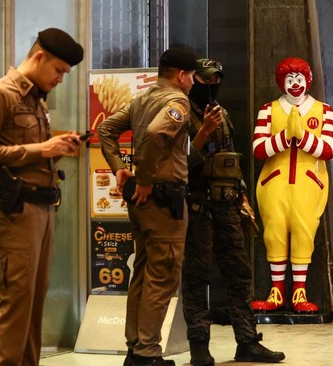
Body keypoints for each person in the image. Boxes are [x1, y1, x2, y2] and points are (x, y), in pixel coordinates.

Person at [0, 28, 84, 366]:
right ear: (39, 57)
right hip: (16, 211)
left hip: (42, 207)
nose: (61, 79)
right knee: (17, 301)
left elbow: (29, 155)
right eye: (59, 71)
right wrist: (41, 148)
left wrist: (55, 151)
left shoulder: (35, 98)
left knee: (34, 303)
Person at [98, 48, 208, 366]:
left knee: (143, 271)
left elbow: (106, 129)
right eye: (192, 78)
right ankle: (148, 353)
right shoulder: (177, 101)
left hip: (142, 201)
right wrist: (144, 177)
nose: (193, 84)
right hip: (163, 200)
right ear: (181, 75)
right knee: (162, 275)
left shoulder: (142, 99)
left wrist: (119, 166)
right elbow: (156, 133)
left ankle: (135, 347)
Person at [181, 58, 285, 366]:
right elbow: (180, 161)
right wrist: (203, 131)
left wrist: (242, 196)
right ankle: (199, 346)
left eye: (217, 80)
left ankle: (247, 341)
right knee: (197, 278)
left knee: (240, 273)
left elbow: (229, 157)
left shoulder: (222, 115)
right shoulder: (182, 112)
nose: (212, 86)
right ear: (193, 80)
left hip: (227, 204)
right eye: (206, 80)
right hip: (197, 204)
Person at [251, 57, 333, 313]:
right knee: (274, 231)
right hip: (274, 183)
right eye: (290, 79)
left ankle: (300, 292)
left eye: (299, 78)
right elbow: (259, 149)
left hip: (308, 185)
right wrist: (286, 136)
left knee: (304, 231)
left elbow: (328, 149)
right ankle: (276, 292)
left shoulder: (324, 111)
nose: (295, 84)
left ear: (307, 80)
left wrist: (303, 135)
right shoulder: (268, 110)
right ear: (281, 82)